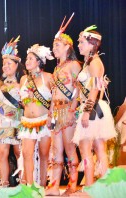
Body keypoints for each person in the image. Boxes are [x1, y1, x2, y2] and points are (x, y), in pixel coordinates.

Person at [72, 25, 116, 186]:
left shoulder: (95, 63)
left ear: (92, 44)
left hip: (93, 109)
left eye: (82, 42)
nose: (79, 45)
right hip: (94, 108)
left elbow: (96, 88)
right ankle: (102, 187)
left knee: (86, 150)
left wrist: (87, 111)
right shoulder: (89, 62)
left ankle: (91, 187)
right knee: (98, 149)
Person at [45, 14, 81, 196]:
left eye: (57, 45)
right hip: (56, 111)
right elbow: (53, 94)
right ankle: (54, 185)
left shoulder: (74, 65)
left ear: (68, 47)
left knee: (69, 148)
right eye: (53, 45)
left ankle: (73, 184)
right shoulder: (57, 68)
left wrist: (72, 110)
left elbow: (78, 90)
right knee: (55, 149)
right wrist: (50, 113)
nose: (54, 48)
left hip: (68, 110)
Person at [0, 36, 24, 187]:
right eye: (4, 63)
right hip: (2, 123)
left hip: (18, 122)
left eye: (9, 63)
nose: (5, 66)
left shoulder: (22, 83)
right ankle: (4, 183)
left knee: (20, 153)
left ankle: (24, 182)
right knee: (2, 154)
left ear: (17, 65)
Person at [19, 44, 54, 186]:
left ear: (39, 61)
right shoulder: (23, 80)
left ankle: (42, 186)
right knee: (27, 153)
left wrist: (51, 116)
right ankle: (30, 186)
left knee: (44, 155)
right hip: (27, 122)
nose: (27, 61)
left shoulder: (48, 77)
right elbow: (22, 102)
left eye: (31, 59)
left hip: (44, 121)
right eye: (27, 59)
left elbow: (56, 98)